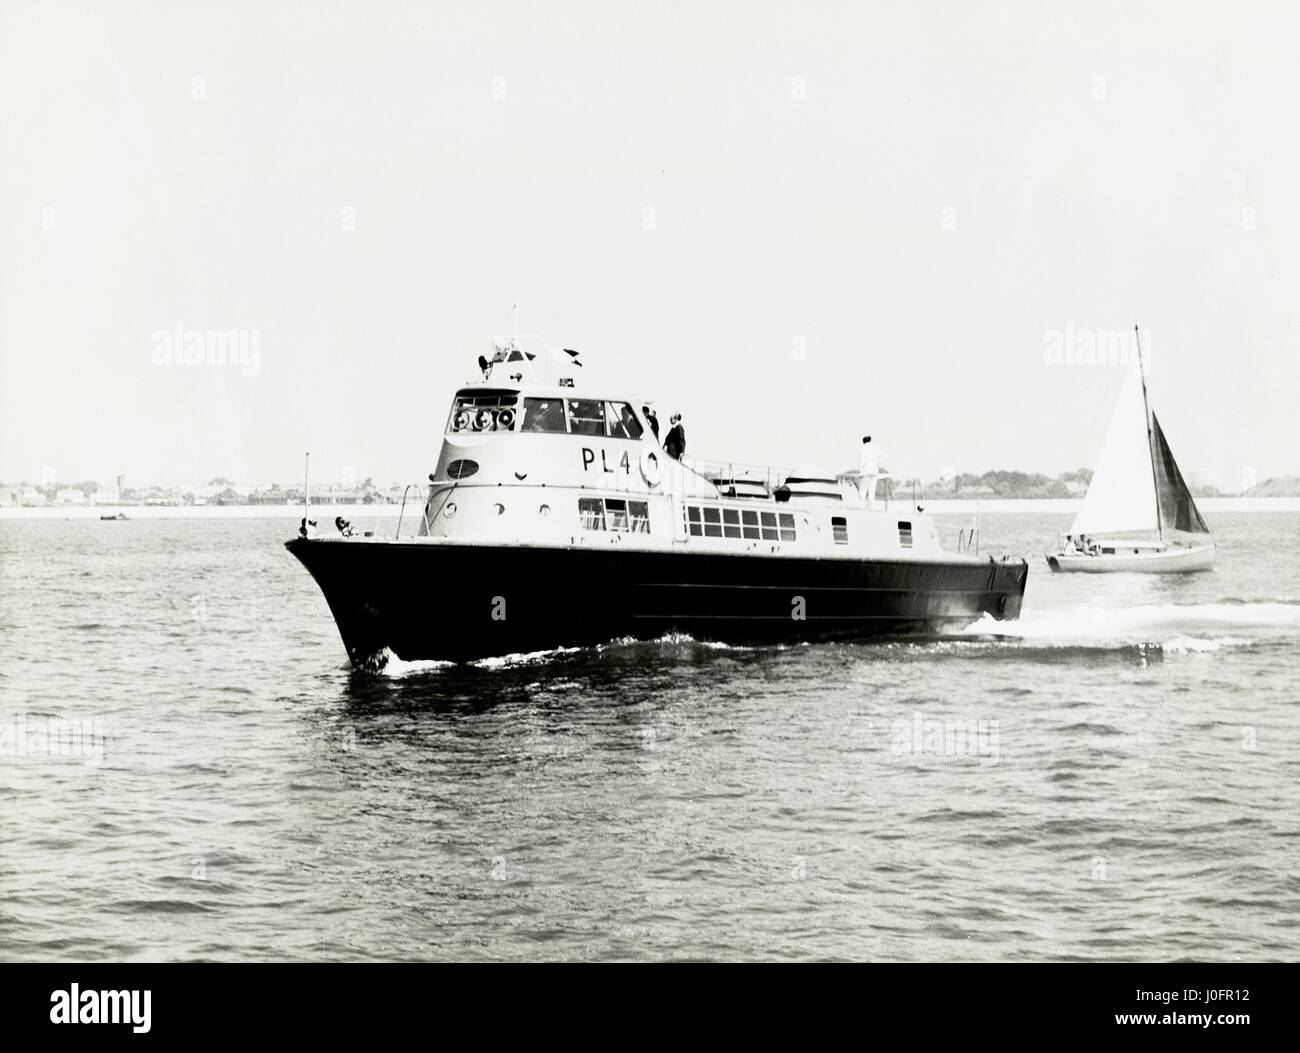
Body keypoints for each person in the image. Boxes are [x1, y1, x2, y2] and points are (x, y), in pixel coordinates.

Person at [858, 435, 882, 509]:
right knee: (872, 490)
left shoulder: (863, 449)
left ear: (863, 441)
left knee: (863, 490)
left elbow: (862, 461)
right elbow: (885, 456)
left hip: (866, 471)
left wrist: (861, 472)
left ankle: (862, 506)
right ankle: (871, 507)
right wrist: (877, 462)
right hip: (874, 471)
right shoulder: (875, 448)